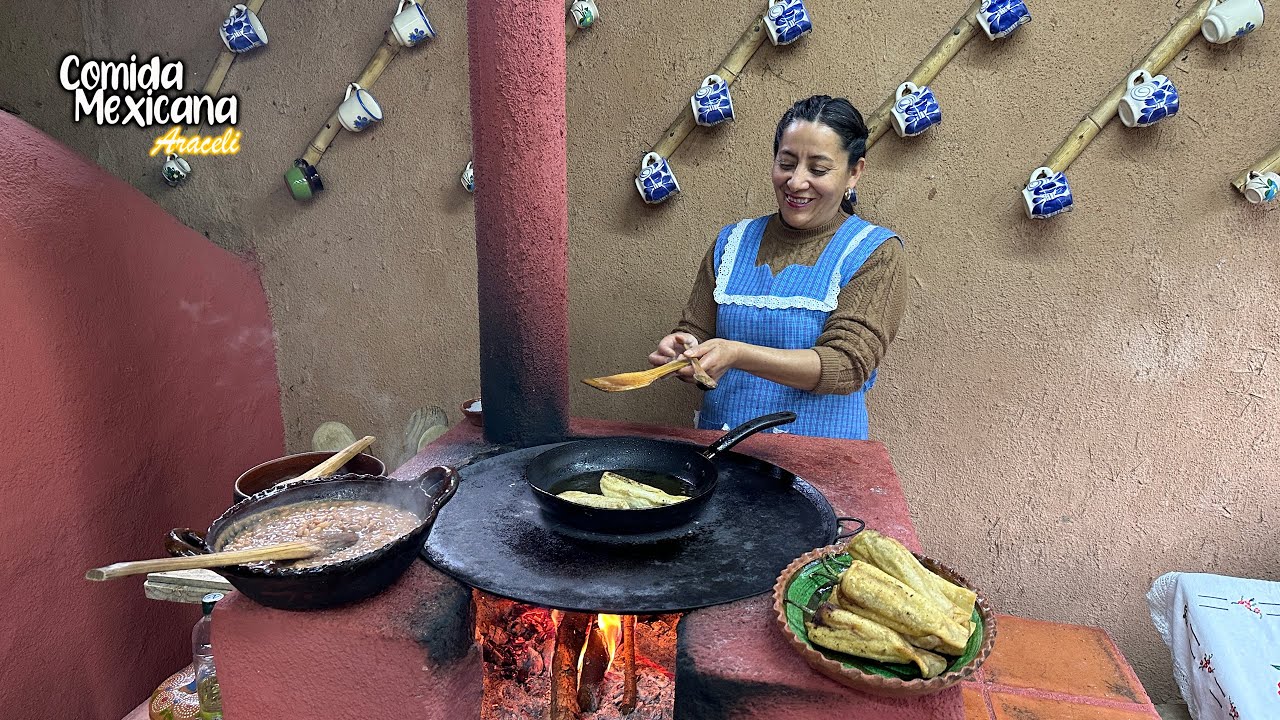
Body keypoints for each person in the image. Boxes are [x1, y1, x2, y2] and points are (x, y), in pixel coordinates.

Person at [649, 95, 908, 440]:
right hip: (725, 449)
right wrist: (685, 349)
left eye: (818, 169)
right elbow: (696, 328)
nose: (796, 182)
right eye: (786, 163)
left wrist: (737, 353)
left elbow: (846, 365)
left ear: (854, 172)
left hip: (820, 460)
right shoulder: (732, 242)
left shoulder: (874, 252)